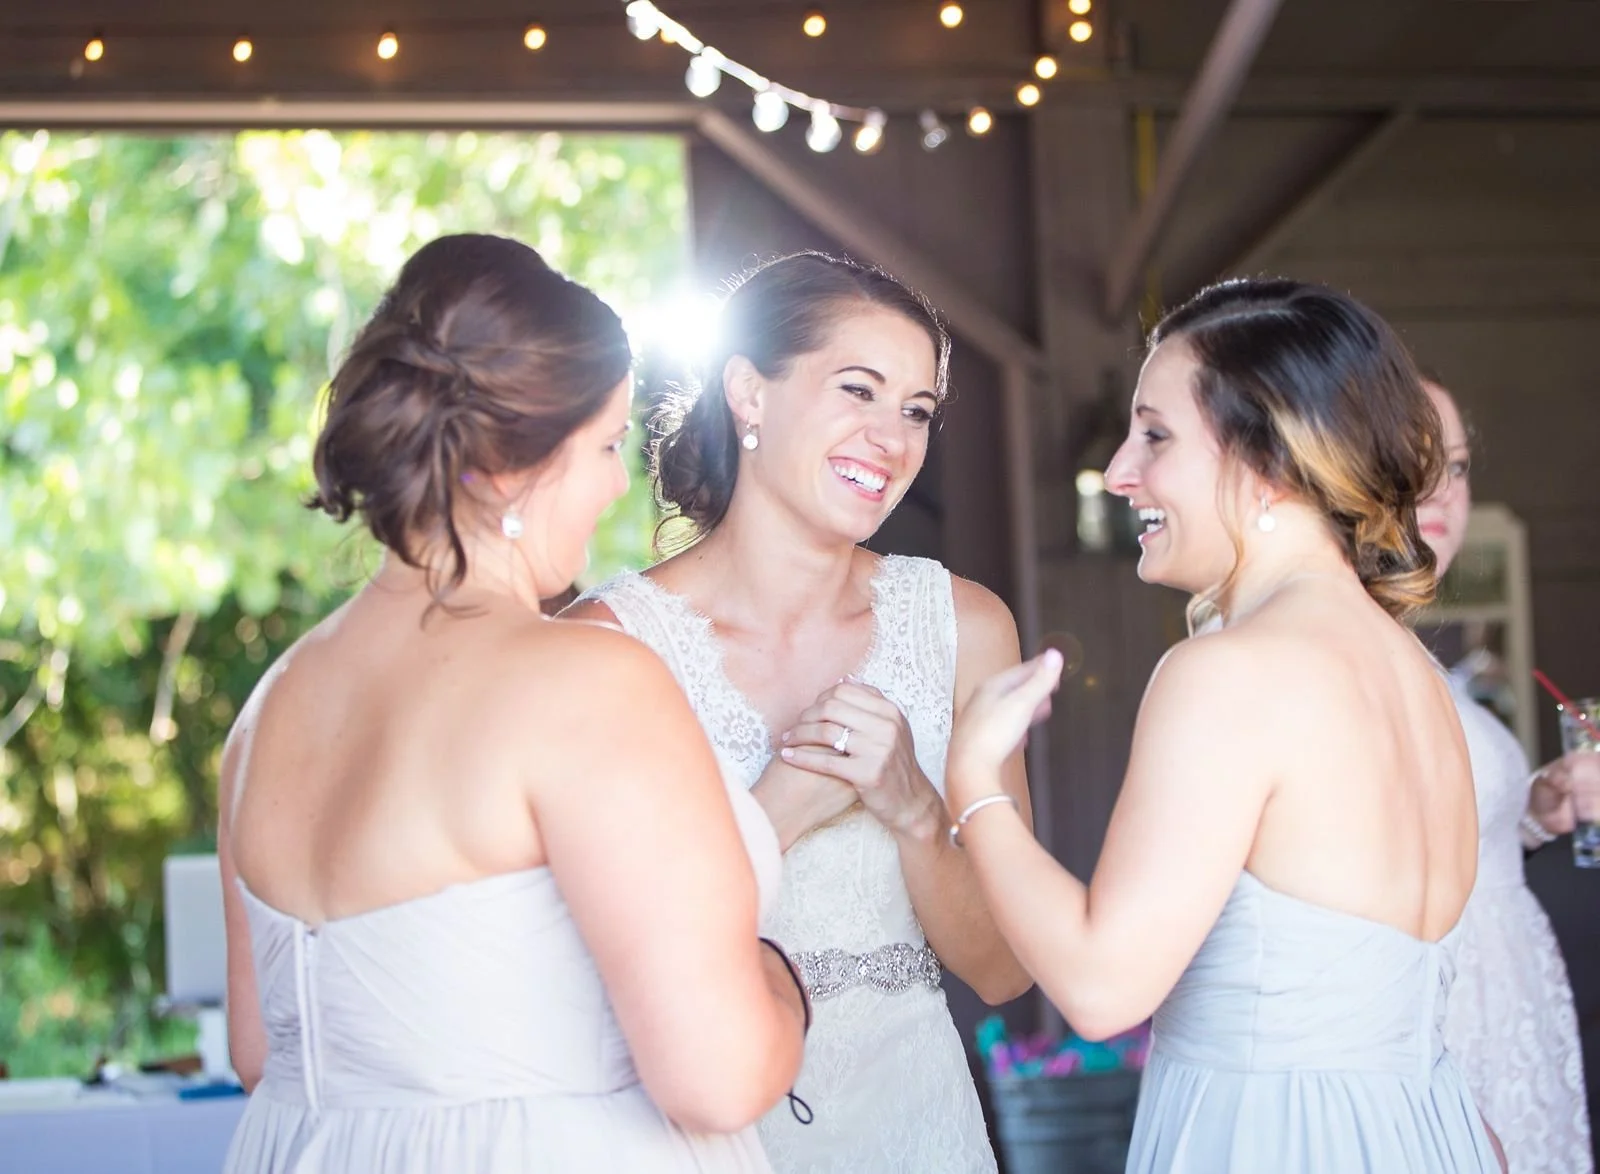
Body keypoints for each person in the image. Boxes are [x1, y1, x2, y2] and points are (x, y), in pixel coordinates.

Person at [217, 233, 807, 1173]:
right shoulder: (578, 681)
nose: (619, 482)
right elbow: (717, 1079)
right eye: (607, 444)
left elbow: (261, 1053)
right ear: (502, 472)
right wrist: (782, 986)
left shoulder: (270, 709)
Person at [940, 279, 1504, 1172]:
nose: (1120, 472)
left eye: (1155, 435)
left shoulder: (1228, 673)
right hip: (1424, 1134)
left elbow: (1098, 986)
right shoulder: (1419, 678)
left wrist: (973, 782)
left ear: (1272, 461)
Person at [565, 251, 1031, 1173]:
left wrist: (913, 810)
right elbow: (580, 965)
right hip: (694, 1133)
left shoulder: (963, 627)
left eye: (917, 412)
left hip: (916, 1128)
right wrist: (773, 813)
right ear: (750, 394)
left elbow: (1003, 969)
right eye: (857, 391)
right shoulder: (606, 644)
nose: (890, 440)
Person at [1420, 376, 1595, 1172]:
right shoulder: (1338, 655)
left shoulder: (1416, 658)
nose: (1442, 492)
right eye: (1413, 460)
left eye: (1456, 466)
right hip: (1441, 1024)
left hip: (1511, 1004)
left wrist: (1535, 810)